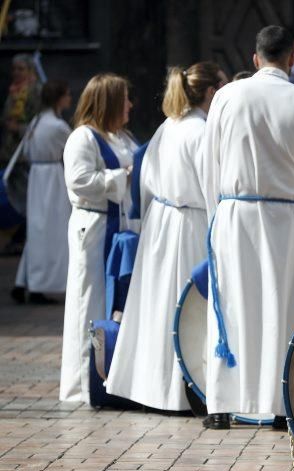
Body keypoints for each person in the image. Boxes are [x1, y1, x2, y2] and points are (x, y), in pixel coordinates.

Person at [201, 26, 294, 430]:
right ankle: (278, 406)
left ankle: (220, 404)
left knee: (232, 303)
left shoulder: (226, 96)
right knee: (284, 307)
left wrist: (217, 215)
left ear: (255, 59)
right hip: (289, 216)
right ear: (292, 59)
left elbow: (210, 164)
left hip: (235, 213)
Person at [105, 62, 226, 412]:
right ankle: (183, 390)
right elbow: (212, 186)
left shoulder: (168, 127)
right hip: (189, 222)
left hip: (161, 223)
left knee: (157, 302)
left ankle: (152, 387)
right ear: (209, 93)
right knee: (187, 306)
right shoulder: (201, 131)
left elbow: (143, 180)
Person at [60, 74, 137, 403]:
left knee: (117, 303)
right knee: (88, 303)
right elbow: (79, 180)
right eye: (125, 100)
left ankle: (111, 377)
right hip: (93, 229)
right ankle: (82, 384)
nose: (131, 105)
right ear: (108, 102)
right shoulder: (83, 138)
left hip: (118, 229)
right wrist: (123, 177)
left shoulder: (122, 138)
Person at [11, 80, 71, 304]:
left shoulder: (36, 122)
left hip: (37, 178)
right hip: (52, 181)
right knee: (50, 233)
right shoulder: (57, 126)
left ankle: (24, 282)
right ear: (58, 98)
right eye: (67, 95)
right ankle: (38, 283)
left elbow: (25, 150)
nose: (70, 99)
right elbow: (72, 149)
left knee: (37, 232)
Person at [0, 54, 41, 164]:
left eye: (21, 69)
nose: (16, 72)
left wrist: (19, 128)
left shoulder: (36, 91)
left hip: (25, 153)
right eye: (14, 69)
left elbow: (41, 123)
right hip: (8, 152)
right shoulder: (13, 90)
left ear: (30, 71)